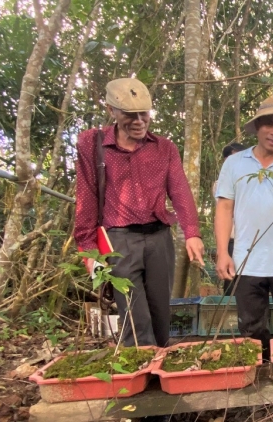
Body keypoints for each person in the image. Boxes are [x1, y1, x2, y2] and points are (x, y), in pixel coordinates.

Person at [75, 78, 205, 348]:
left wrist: (192, 233)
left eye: (143, 114)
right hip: (120, 238)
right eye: (129, 115)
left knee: (160, 309)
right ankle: (140, 368)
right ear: (112, 111)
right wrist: (87, 248)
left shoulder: (164, 148)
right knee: (133, 310)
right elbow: (86, 195)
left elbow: (180, 191)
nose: (138, 121)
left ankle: (159, 364)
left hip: (159, 237)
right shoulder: (93, 144)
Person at [214, 96, 273, 360]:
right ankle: (257, 380)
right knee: (251, 328)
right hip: (246, 261)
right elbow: (224, 208)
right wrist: (223, 252)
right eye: (269, 124)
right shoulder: (234, 164)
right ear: (257, 127)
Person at [213, 143, 247, 295]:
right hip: (233, 241)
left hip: (251, 239)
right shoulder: (220, 185)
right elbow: (229, 209)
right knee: (231, 282)